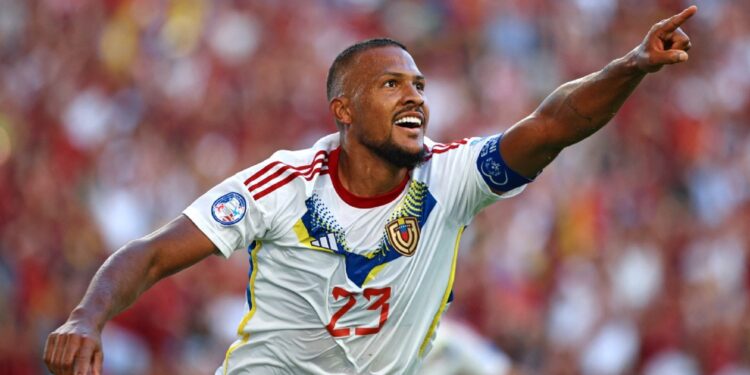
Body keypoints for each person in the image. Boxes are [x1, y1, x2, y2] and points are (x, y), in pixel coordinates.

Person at [43, 6, 696, 375]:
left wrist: (632, 65)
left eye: (418, 86)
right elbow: (154, 252)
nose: (414, 95)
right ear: (343, 111)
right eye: (391, 85)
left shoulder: (451, 176)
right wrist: (87, 315)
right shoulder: (282, 184)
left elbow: (555, 125)